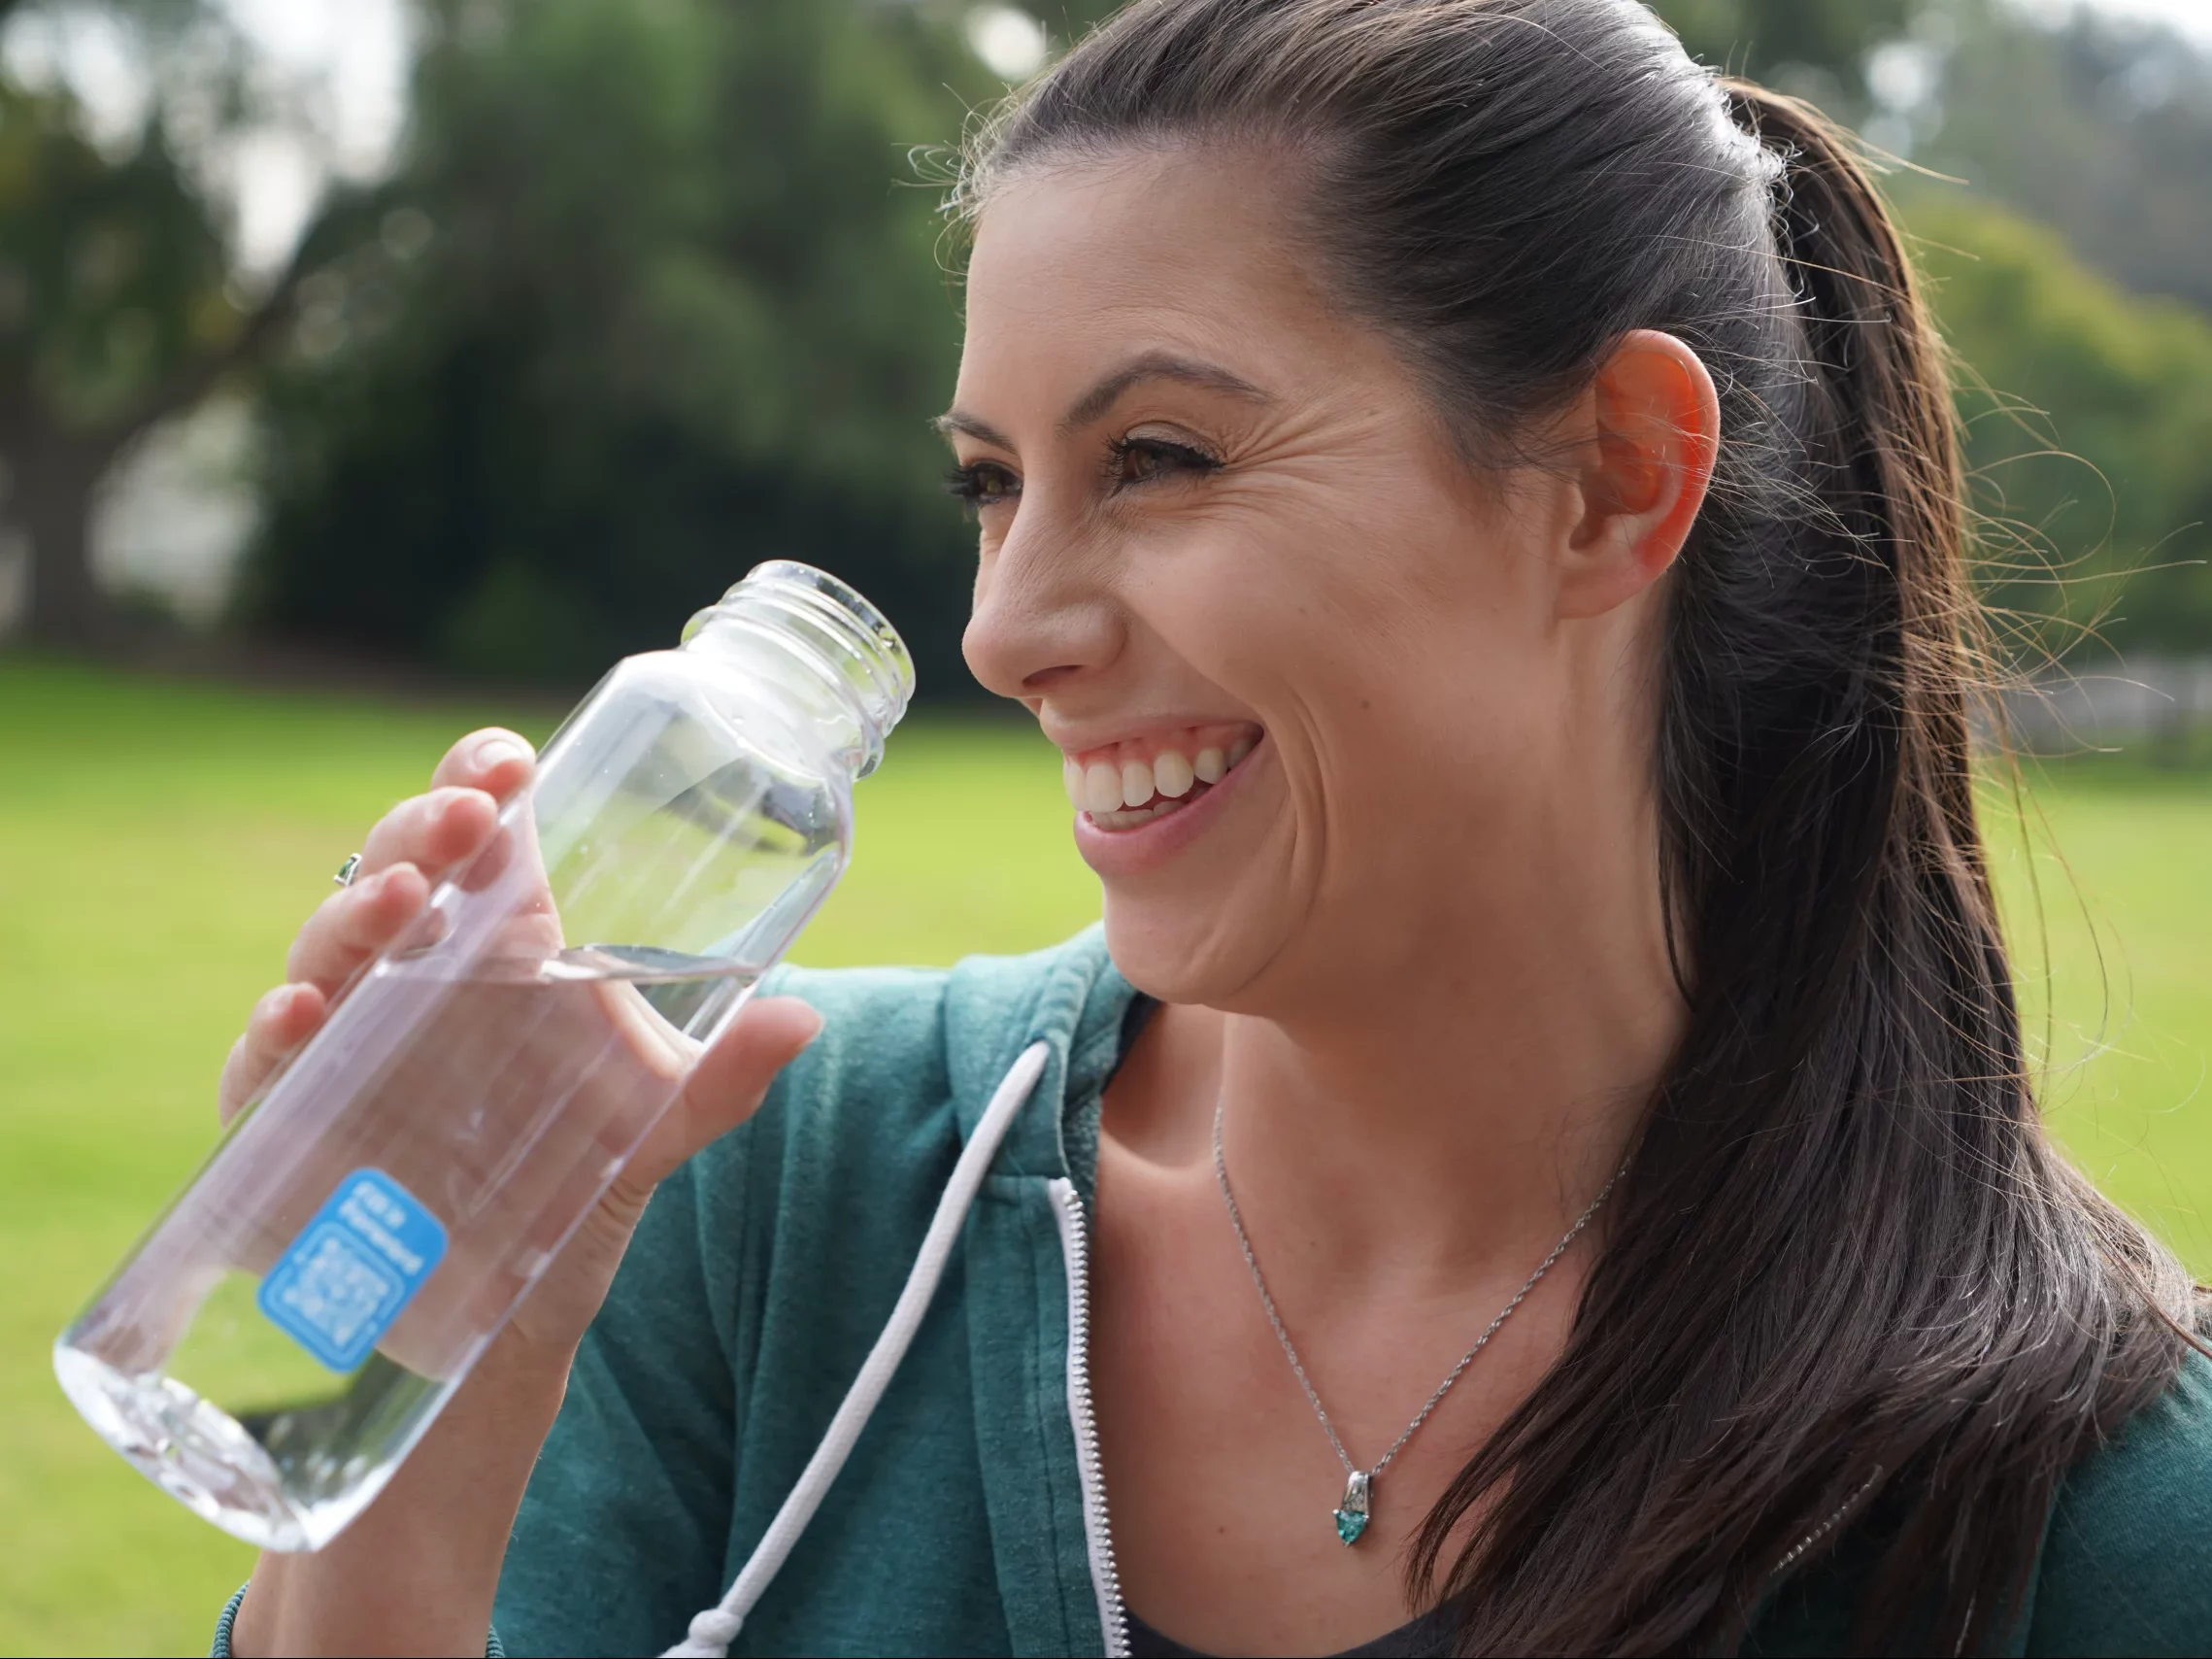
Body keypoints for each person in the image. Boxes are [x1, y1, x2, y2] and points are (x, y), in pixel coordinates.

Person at [214, 1, 2212, 1653]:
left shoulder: (2083, 1517)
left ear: (1609, 477)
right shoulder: (761, 1187)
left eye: (1154, 458)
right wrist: (394, 1461)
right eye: (993, 479)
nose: (1004, 628)